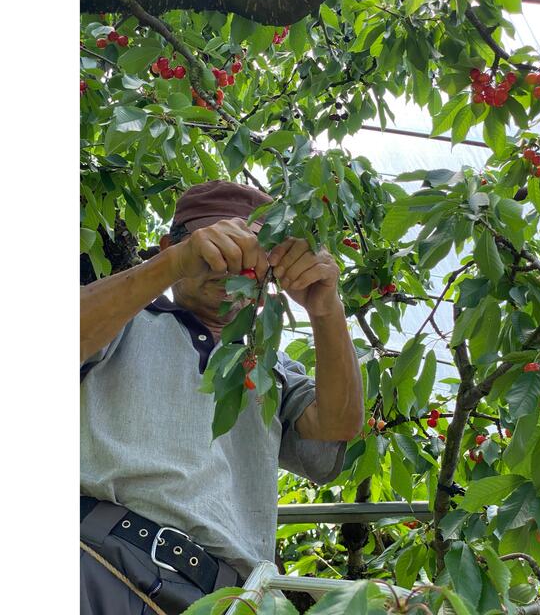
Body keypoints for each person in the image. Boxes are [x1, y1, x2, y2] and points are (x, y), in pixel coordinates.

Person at [80, 180, 364, 614]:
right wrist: (171, 266)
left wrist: (327, 309)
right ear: (167, 247)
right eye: (216, 248)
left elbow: (336, 426)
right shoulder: (125, 320)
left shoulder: (268, 367)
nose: (231, 267)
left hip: (230, 601)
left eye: (255, 258)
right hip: (104, 562)